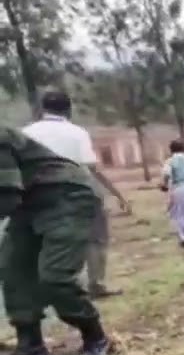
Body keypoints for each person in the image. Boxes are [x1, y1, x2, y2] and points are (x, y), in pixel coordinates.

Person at [0, 126, 114, 355]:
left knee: (55, 276)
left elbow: (6, 197)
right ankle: (31, 351)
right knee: (14, 270)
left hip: (66, 195)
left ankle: (96, 339)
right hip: (29, 202)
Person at [22, 90, 130, 299]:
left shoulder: (26, 133)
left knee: (42, 241)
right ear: (68, 109)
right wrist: (117, 194)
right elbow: (91, 167)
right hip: (77, 193)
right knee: (95, 239)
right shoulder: (77, 132)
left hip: (37, 195)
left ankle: (51, 287)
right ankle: (96, 284)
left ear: (42, 109)